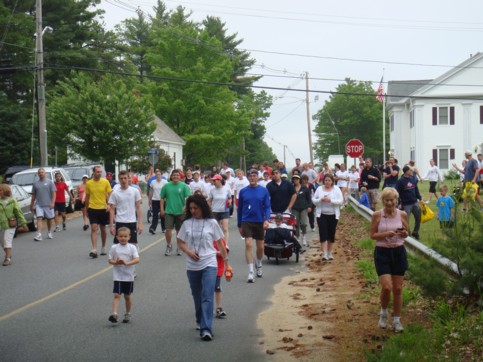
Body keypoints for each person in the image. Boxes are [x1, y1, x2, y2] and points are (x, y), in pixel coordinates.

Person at [177, 194, 228, 341]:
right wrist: (189, 252)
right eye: (191, 208)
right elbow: (180, 242)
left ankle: (206, 328)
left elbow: (220, 244)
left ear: (202, 208)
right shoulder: (186, 223)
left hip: (209, 262)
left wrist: (227, 262)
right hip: (192, 265)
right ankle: (200, 319)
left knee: (207, 295)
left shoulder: (212, 222)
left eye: (196, 208)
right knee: (197, 295)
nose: (193, 211)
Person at [370, 187, 409, 333]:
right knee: (387, 287)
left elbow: (406, 233)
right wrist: (385, 234)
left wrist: (404, 233)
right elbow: (372, 235)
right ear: (382, 201)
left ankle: (397, 320)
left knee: (398, 289)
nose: (389, 203)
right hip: (382, 253)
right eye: (387, 200)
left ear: (396, 200)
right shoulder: (377, 215)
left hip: (398, 252)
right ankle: (383, 312)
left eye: (392, 200)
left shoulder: (402, 214)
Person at [237, 169, 271, 282]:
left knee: (260, 246)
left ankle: (259, 263)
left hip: (259, 220)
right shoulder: (243, 191)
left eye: (254, 176)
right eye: (250, 176)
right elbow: (240, 208)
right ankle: (251, 272)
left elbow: (267, 206)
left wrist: (266, 219)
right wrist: (239, 224)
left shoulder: (263, 191)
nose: (252, 178)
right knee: (248, 244)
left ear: (257, 177)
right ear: (248, 178)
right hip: (247, 220)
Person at [107, 227, 140, 324]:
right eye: (121, 236)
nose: (123, 238)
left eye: (125, 236)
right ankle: (114, 314)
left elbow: (137, 259)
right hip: (118, 276)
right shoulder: (114, 248)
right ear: (117, 237)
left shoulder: (132, 248)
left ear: (129, 237)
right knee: (117, 295)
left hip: (128, 276)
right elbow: (110, 260)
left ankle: (127, 313)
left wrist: (127, 263)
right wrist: (116, 262)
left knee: (127, 296)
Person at [312, 174, 343, 261]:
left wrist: (331, 200)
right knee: (323, 233)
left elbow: (341, 201)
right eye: (326, 180)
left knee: (331, 233)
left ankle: (329, 252)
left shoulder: (336, 189)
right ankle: (324, 253)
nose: (327, 182)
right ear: (323, 181)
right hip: (321, 215)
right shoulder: (319, 189)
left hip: (333, 215)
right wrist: (320, 199)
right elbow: (314, 200)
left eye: (329, 180)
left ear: (332, 181)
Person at [160, 169, 191, 256]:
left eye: (177, 175)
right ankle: (169, 245)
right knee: (168, 229)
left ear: (180, 176)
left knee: (179, 231)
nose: (175, 176)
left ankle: (179, 246)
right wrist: (162, 209)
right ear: (171, 176)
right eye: (174, 175)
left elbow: (188, 198)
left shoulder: (184, 186)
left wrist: (186, 207)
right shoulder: (166, 186)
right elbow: (162, 198)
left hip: (180, 212)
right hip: (169, 211)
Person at [109, 170, 143, 245]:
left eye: (125, 178)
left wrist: (140, 223)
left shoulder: (135, 191)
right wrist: (111, 226)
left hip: (131, 221)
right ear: (119, 180)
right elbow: (112, 209)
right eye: (121, 178)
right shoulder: (115, 193)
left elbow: (138, 208)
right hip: (120, 221)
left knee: (132, 245)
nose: (123, 180)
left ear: (128, 178)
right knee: (118, 246)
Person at [85, 165, 112, 258]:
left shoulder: (105, 182)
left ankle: (103, 246)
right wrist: (86, 209)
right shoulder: (88, 183)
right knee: (94, 228)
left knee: (103, 228)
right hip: (92, 208)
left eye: (101, 172)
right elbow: (87, 197)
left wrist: (108, 204)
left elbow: (109, 194)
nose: (99, 173)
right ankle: (94, 249)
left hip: (103, 208)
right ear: (94, 172)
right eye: (98, 172)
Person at [0, 184, 27, 266]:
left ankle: (7, 258)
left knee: (6, 240)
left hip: (10, 225)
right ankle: (8, 254)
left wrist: (23, 223)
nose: (0, 192)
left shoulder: (12, 201)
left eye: (0, 190)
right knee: (2, 243)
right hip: (1, 225)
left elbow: (18, 212)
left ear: (5, 191)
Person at [395, 166, 422, 239]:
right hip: (406, 204)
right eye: (410, 170)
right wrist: (399, 202)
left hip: (414, 202)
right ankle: (408, 234)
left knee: (418, 217)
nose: (412, 171)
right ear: (406, 172)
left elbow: (416, 189)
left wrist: (419, 198)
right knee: (406, 220)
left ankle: (415, 232)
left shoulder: (412, 179)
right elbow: (397, 192)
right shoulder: (400, 181)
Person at [30, 168, 56, 241]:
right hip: (39, 204)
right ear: (38, 174)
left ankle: (49, 231)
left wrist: (53, 203)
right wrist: (32, 205)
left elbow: (54, 193)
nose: (41, 173)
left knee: (49, 219)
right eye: (39, 172)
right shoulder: (35, 184)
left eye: (42, 172)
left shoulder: (50, 182)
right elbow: (33, 196)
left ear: (45, 173)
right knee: (39, 218)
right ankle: (39, 234)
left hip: (48, 204)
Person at [208, 174, 231, 244]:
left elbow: (230, 198)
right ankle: (217, 244)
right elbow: (209, 200)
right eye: (213, 181)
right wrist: (209, 209)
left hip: (224, 210)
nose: (213, 182)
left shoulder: (226, 189)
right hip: (215, 211)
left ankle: (225, 244)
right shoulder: (212, 190)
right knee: (216, 229)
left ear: (220, 180)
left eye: (215, 180)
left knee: (225, 229)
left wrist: (229, 202)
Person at [291, 174, 312, 246]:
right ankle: (297, 237)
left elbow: (309, 198)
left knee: (303, 223)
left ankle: (304, 237)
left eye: (296, 179)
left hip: (303, 208)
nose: (295, 180)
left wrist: (309, 206)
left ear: (299, 180)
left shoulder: (304, 188)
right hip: (294, 208)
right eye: (294, 179)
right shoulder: (291, 188)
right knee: (296, 224)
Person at [214, 237, 229, 319]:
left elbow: (224, 252)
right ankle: (204, 307)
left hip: (218, 268)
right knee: (205, 288)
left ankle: (219, 308)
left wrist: (227, 266)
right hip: (206, 267)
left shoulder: (220, 239)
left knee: (217, 287)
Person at [148, 170, 167, 234]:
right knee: (155, 215)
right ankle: (153, 228)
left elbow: (167, 191)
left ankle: (164, 228)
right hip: (155, 200)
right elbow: (151, 191)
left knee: (162, 215)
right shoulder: (153, 182)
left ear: (161, 175)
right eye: (157, 174)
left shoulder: (165, 182)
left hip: (162, 200)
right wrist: (150, 199)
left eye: (159, 174)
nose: (158, 176)